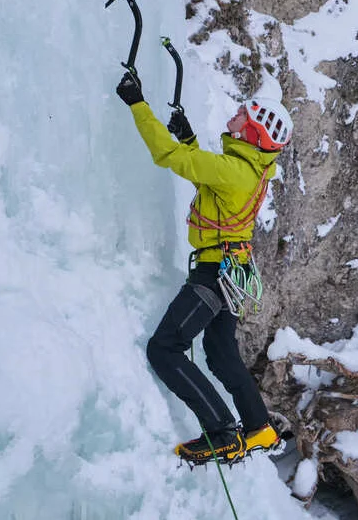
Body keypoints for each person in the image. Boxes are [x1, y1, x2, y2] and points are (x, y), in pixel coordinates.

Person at [116, 68, 293, 464]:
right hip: (230, 272)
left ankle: (222, 431)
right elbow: (209, 180)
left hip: (213, 275)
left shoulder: (235, 170)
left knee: (165, 348)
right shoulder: (249, 169)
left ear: (254, 133)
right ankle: (259, 426)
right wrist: (190, 138)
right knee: (219, 352)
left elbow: (171, 158)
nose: (235, 116)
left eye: (242, 116)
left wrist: (138, 105)